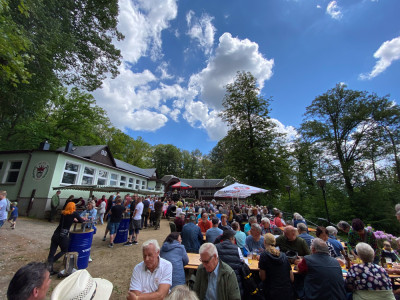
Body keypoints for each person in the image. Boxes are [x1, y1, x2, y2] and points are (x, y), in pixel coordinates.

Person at [47, 202, 84, 274]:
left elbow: (67, 220)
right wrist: (77, 219)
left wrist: (73, 220)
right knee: (64, 250)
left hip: (56, 233)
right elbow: (81, 221)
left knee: (52, 251)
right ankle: (53, 260)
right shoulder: (74, 213)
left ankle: (49, 267)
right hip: (63, 235)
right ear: (73, 207)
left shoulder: (63, 213)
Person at [259, 233, 294, 300]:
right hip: (286, 291)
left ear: (264, 242)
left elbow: (263, 278)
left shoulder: (264, 256)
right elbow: (292, 278)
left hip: (271, 292)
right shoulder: (283, 256)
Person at [215, 229, 245, 298]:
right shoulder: (237, 249)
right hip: (235, 280)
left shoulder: (216, 247)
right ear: (231, 238)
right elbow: (242, 262)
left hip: (219, 280)